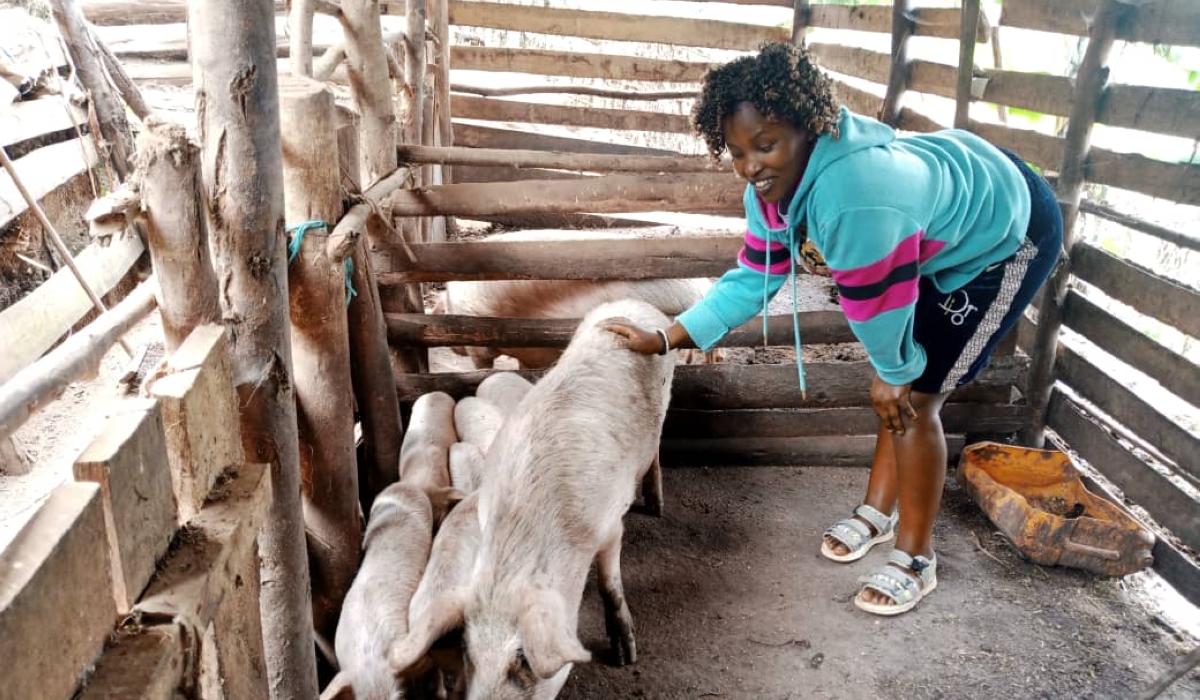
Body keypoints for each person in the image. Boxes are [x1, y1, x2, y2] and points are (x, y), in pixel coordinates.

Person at [605, 41, 1063, 616]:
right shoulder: (770, 191)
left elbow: (875, 303)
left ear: (809, 128)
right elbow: (756, 274)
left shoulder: (857, 200)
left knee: (916, 398)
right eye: (737, 151)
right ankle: (878, 510)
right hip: (935, 214)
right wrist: (673, 335)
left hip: (1006, 232)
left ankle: (916, 559)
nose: (751, 167)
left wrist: (894, 372)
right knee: (899, 385)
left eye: (766, 146)